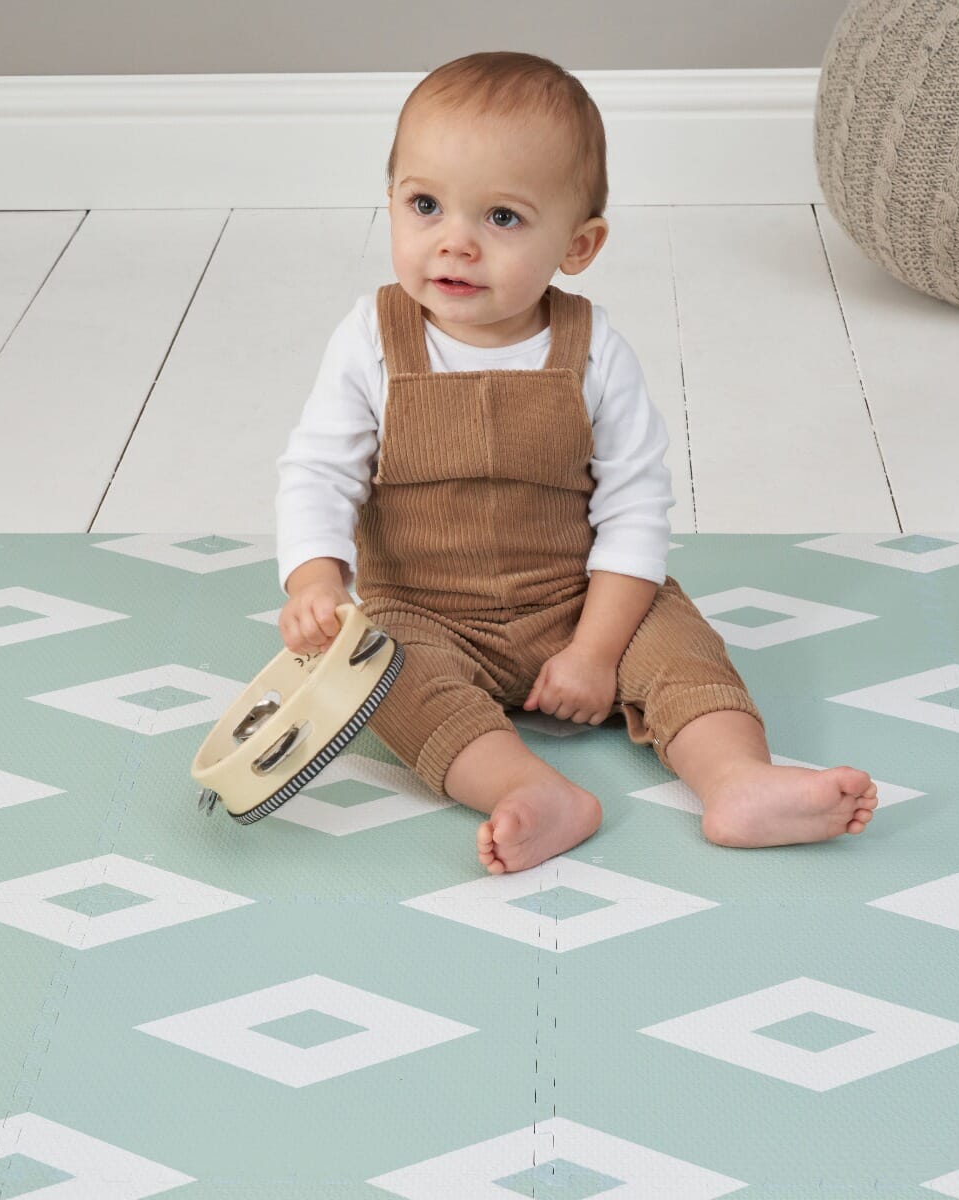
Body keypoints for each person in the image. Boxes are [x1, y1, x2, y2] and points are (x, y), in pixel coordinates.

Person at [276, 50, 878, 874]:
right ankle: (529, 789)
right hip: (425, 610)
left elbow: (634, 509)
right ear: (389, 204)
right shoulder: (368, 340)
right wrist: (315, 578)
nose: (455, 242)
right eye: (425, 205)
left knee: (679, 646)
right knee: (378, 678)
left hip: (577, 598)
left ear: (580, 243)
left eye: (503, 219)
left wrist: (596, 651)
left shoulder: (594, 353)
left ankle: (738, 779)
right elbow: (320, 472)